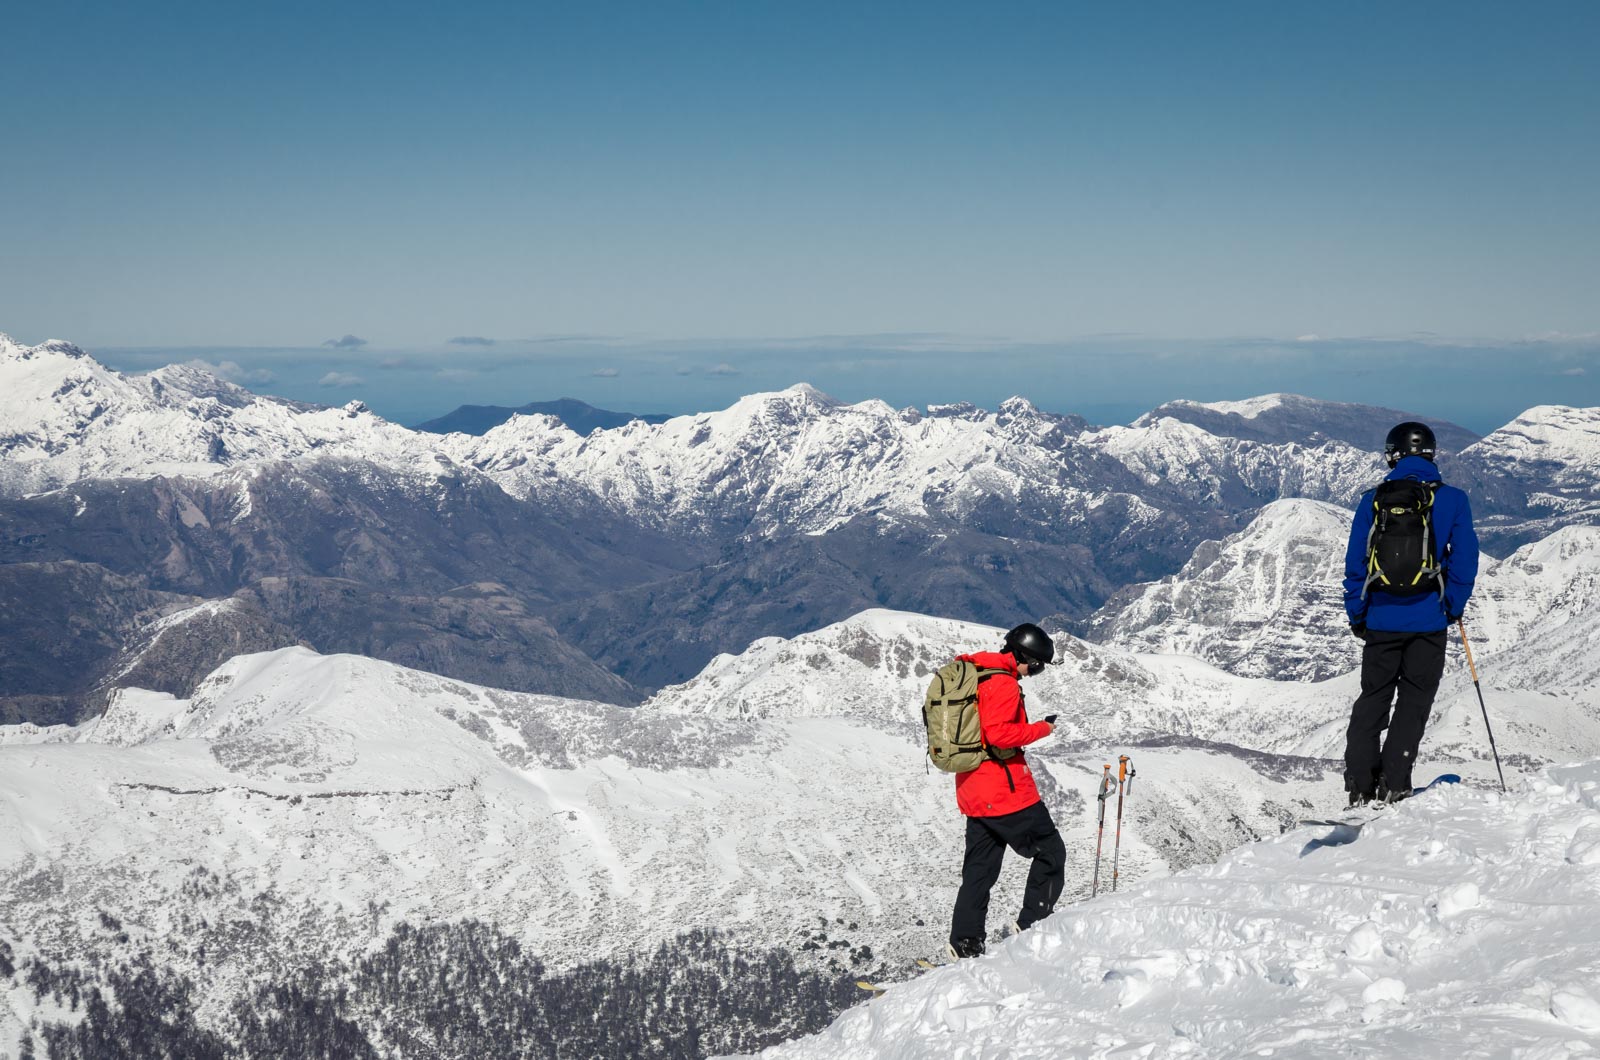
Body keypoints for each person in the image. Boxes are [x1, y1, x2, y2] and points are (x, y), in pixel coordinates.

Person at [1341, 422, 1479, 806]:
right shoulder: (1453, 499)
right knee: (1414, 701)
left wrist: (1358, 613)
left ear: (1393, 455)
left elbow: (1355, 563)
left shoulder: (1372, 499)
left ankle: (1359, 786)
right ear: (1431, 454)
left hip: (1380, 619)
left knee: (1373, 699)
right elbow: (1465, 560)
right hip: (1429, 621)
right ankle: (1395, 782)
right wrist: (1451, 605)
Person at [947, 622, 1065, 959]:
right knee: (1051, 852)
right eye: (1037, 665)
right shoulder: (1003, 685)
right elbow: (999, 736)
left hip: (972, 789)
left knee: (979, 872)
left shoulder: (976, 672)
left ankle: (965, 942)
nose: (1035, 672)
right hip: (1005, 792)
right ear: (1025, 657)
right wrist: (1042, 728)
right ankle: (1035, 921)